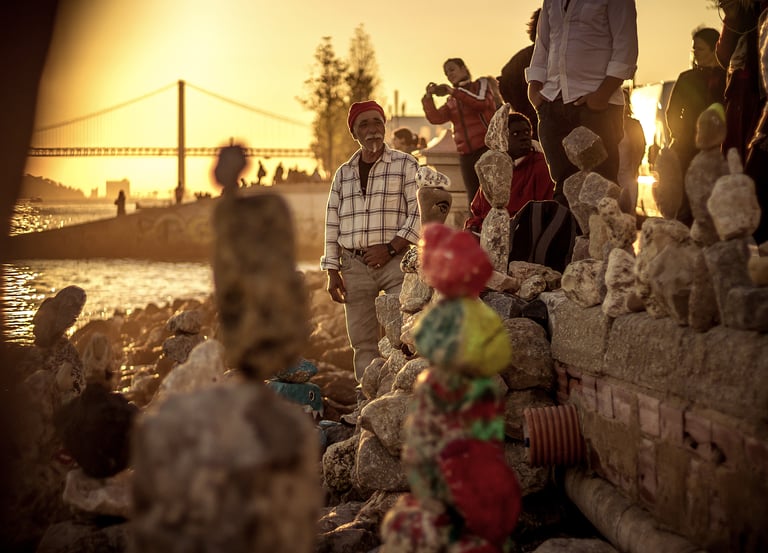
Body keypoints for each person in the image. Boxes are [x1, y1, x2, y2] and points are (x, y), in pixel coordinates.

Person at [320, 100, 420, 382]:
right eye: (364, 124)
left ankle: (401, 396)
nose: (372, 129)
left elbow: (419, 213)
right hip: (353, 266)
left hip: (396, 263)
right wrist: (332, 270)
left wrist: (391, 248)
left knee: (403, 335)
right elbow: (332, 222)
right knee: (362, 344)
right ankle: (365, 406)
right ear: (354, 133)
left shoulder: (406, 165)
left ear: (384, 125)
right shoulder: (343, 174)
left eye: (377, 122)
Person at [526, 0, 638, 207]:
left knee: (601, 186)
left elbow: (626, 46)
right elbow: (542, 46)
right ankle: (569, 239)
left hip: (596, 106)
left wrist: (601, 96)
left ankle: (601, 239)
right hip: (553, 102)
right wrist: (534, 90)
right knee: (564, 187)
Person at [422, 58, 497, 204]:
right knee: (473, 197)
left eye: (452, 69)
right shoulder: (452, 99)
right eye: (446, 73)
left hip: (486, 148)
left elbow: (480, 103)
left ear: (463, 68)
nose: (449, 75)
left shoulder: (480, 84)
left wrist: (454, 91)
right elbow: (436, 118)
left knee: (492, 194)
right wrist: (428, 97)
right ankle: (475, 226)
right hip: (466, 154)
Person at [464, 112, 553, 233]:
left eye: (527, 132)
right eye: (515, 134)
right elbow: (479, 211)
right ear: (503, 138)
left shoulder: (541, 166)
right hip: (489, 233)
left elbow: (544, 211)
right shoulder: (495, 168)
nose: (524, 137)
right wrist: (471, 228)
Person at [665, 28, 726, 179]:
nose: (695, 52)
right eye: (694, 49)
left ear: (714, 49)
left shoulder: (727, 77)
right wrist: (680, 135)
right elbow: (672, 111)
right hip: (689, 148)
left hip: (721, 148)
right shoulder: (686, 78)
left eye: (700, 48)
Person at [498, 8, 541, 139]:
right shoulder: (523, 59)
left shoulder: (519, 59)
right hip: (535, 123)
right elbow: (504, 83)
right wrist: (524, 111)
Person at [617, 89, 646, 217]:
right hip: (612, 176)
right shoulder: (606, 125)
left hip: (629, 175)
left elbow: (641, 146)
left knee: (629, 212)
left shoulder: (634, 125)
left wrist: (636, 165)